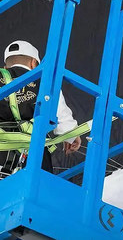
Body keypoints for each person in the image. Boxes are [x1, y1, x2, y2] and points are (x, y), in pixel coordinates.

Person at [0, 40, 81, 177]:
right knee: (39, 195)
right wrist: (72, 137)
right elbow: (63, 121)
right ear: (33, 63)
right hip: (34, 159)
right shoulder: (45, 83)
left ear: (5, 67)